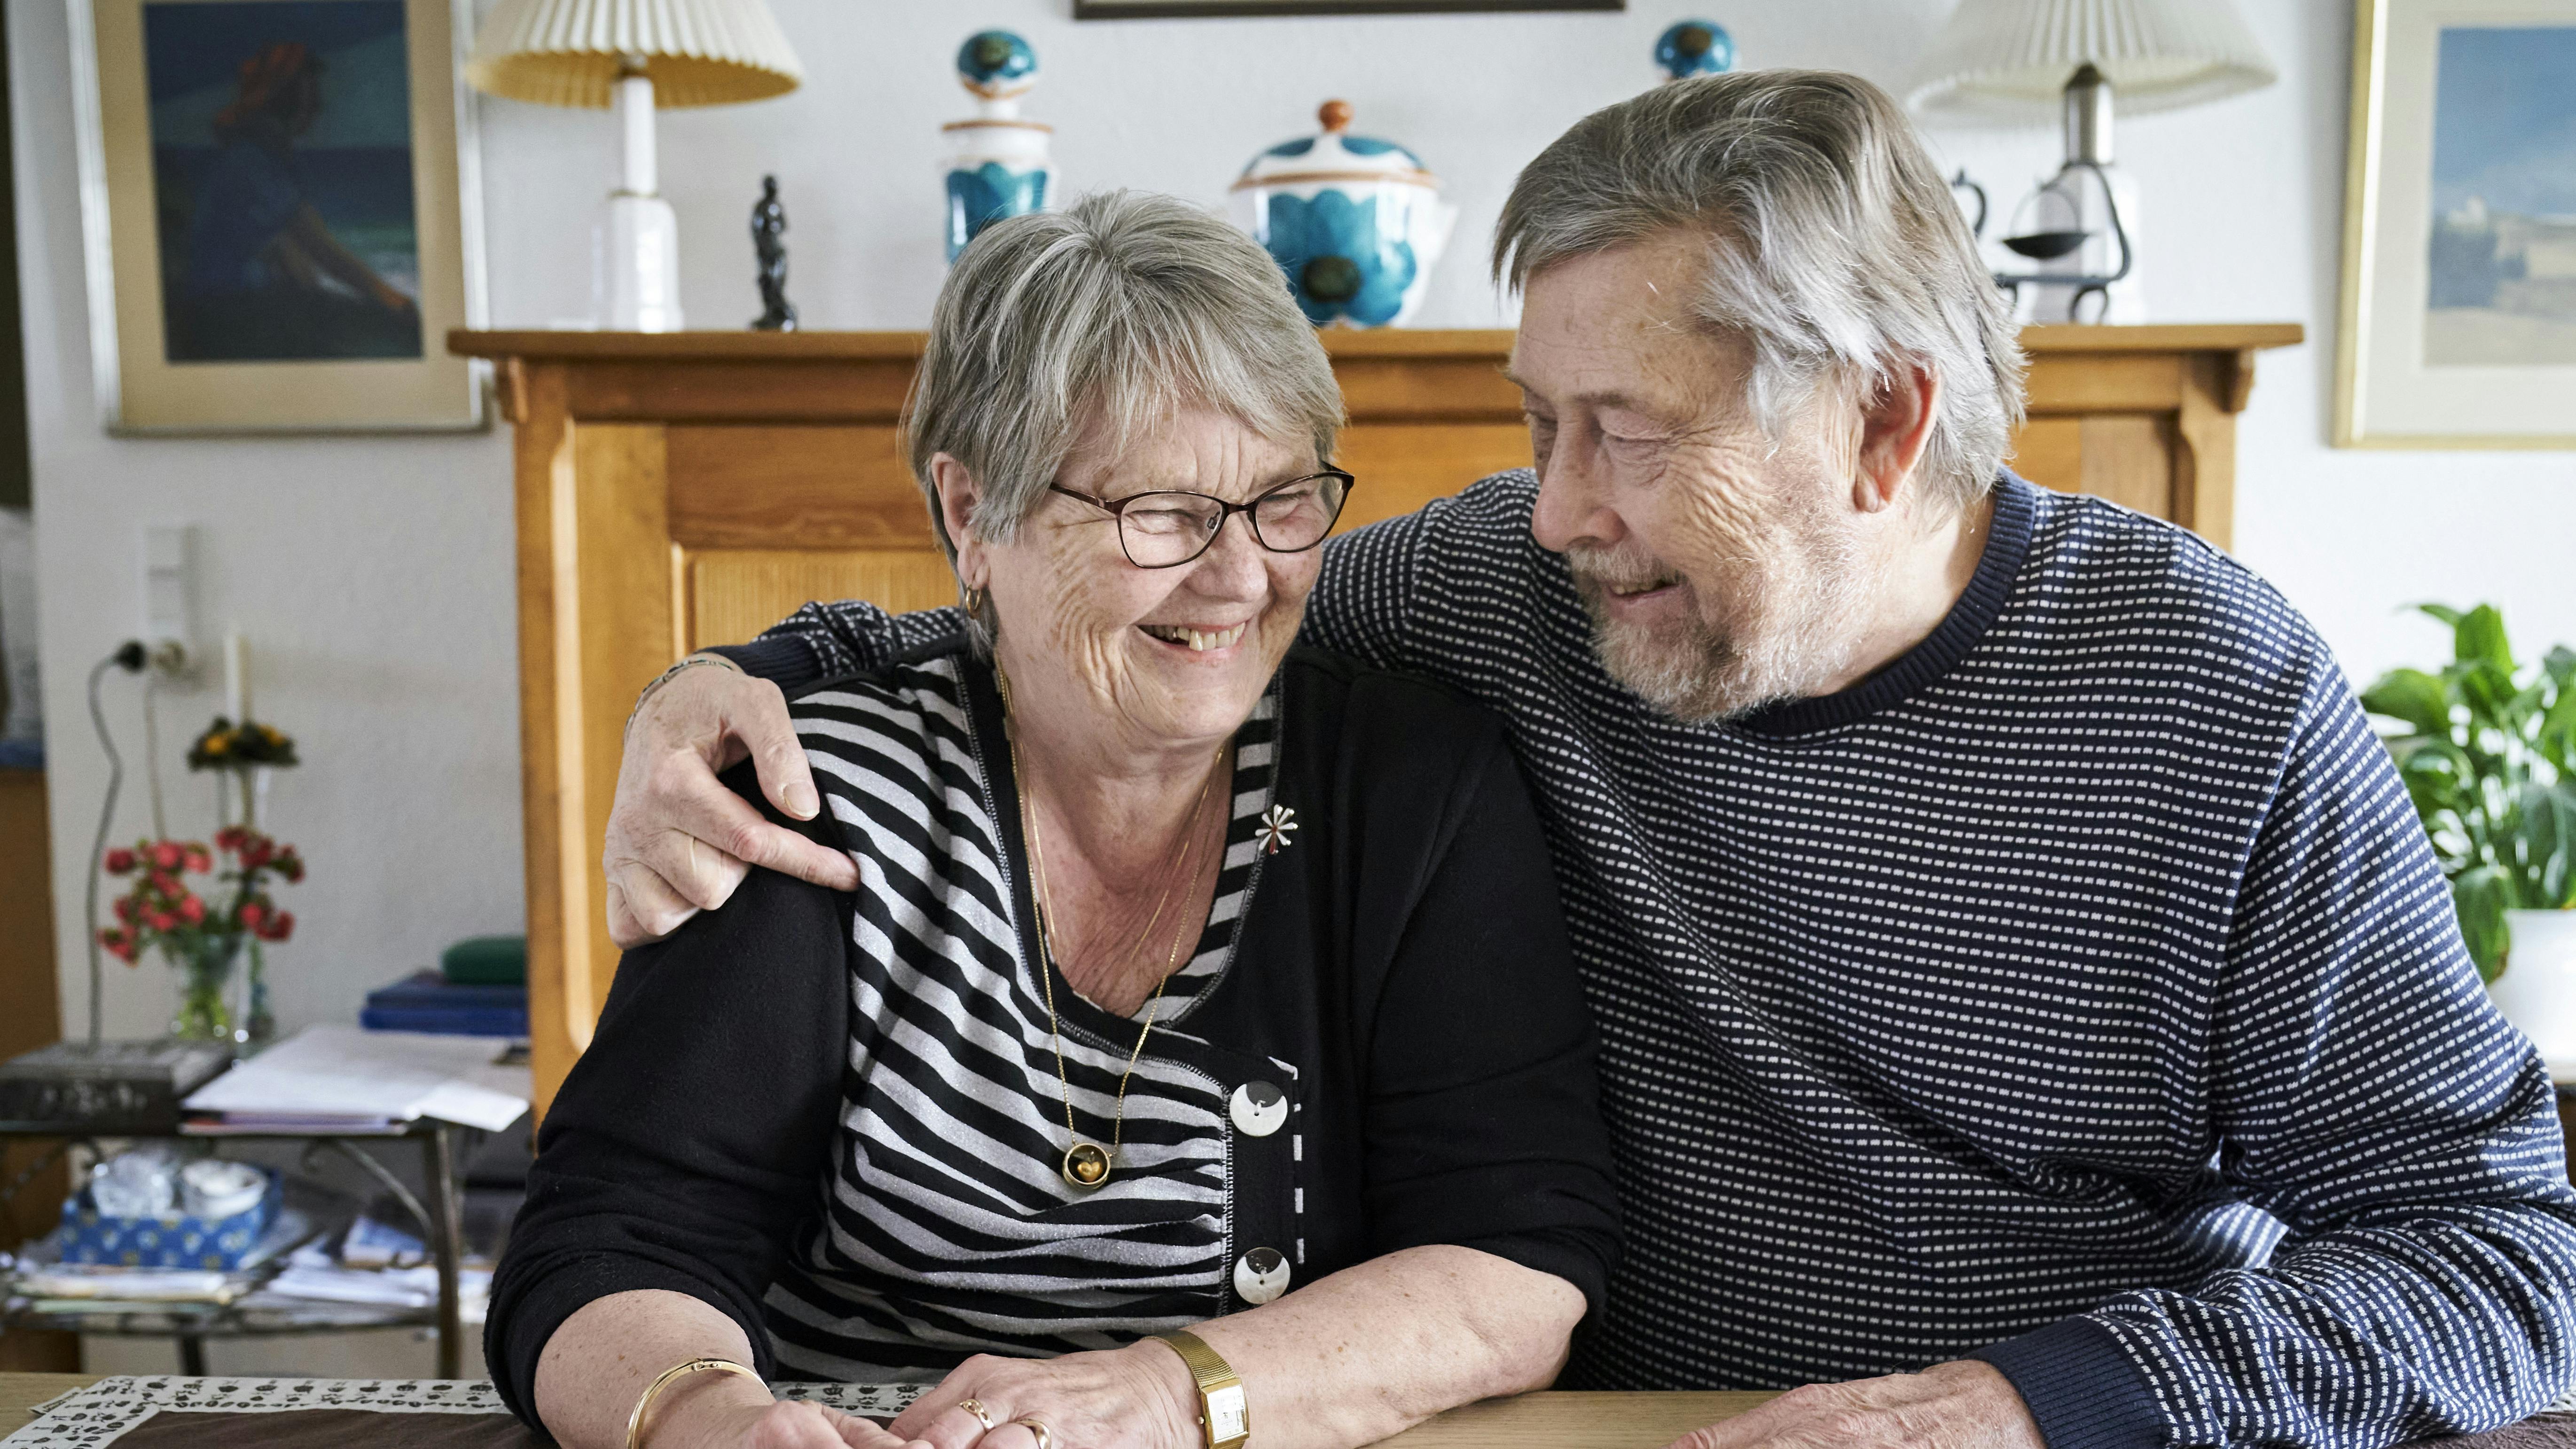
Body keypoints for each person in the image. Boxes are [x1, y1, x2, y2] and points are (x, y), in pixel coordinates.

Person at [605, 72, 2576, 1449]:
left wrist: (2037, 1396)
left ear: (1880, 427)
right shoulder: (1521, 586)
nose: (1547, 509)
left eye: (1622, 432)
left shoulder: (2206, 702)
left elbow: (2498, 1250)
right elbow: (1135, 606)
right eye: (1531, 423)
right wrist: (741, 673)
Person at [487, 190, 1619, 1449]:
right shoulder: (817, 792)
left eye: (1284, 499)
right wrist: (709, 1419)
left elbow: (1518, 1255)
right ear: (974, 513)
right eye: (1161, 513)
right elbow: (611, 1232)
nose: (1240, 576)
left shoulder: (1409, 787)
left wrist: (1165, 1391)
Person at [168, 41, 421, 361]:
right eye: (312, 95)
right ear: (288, 100)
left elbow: (288, 243)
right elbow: (319, 245)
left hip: (229, 306)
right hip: (228, 313)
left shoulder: (253, 154)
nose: (319, 107)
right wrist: (391, 299)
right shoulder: (253, 161)